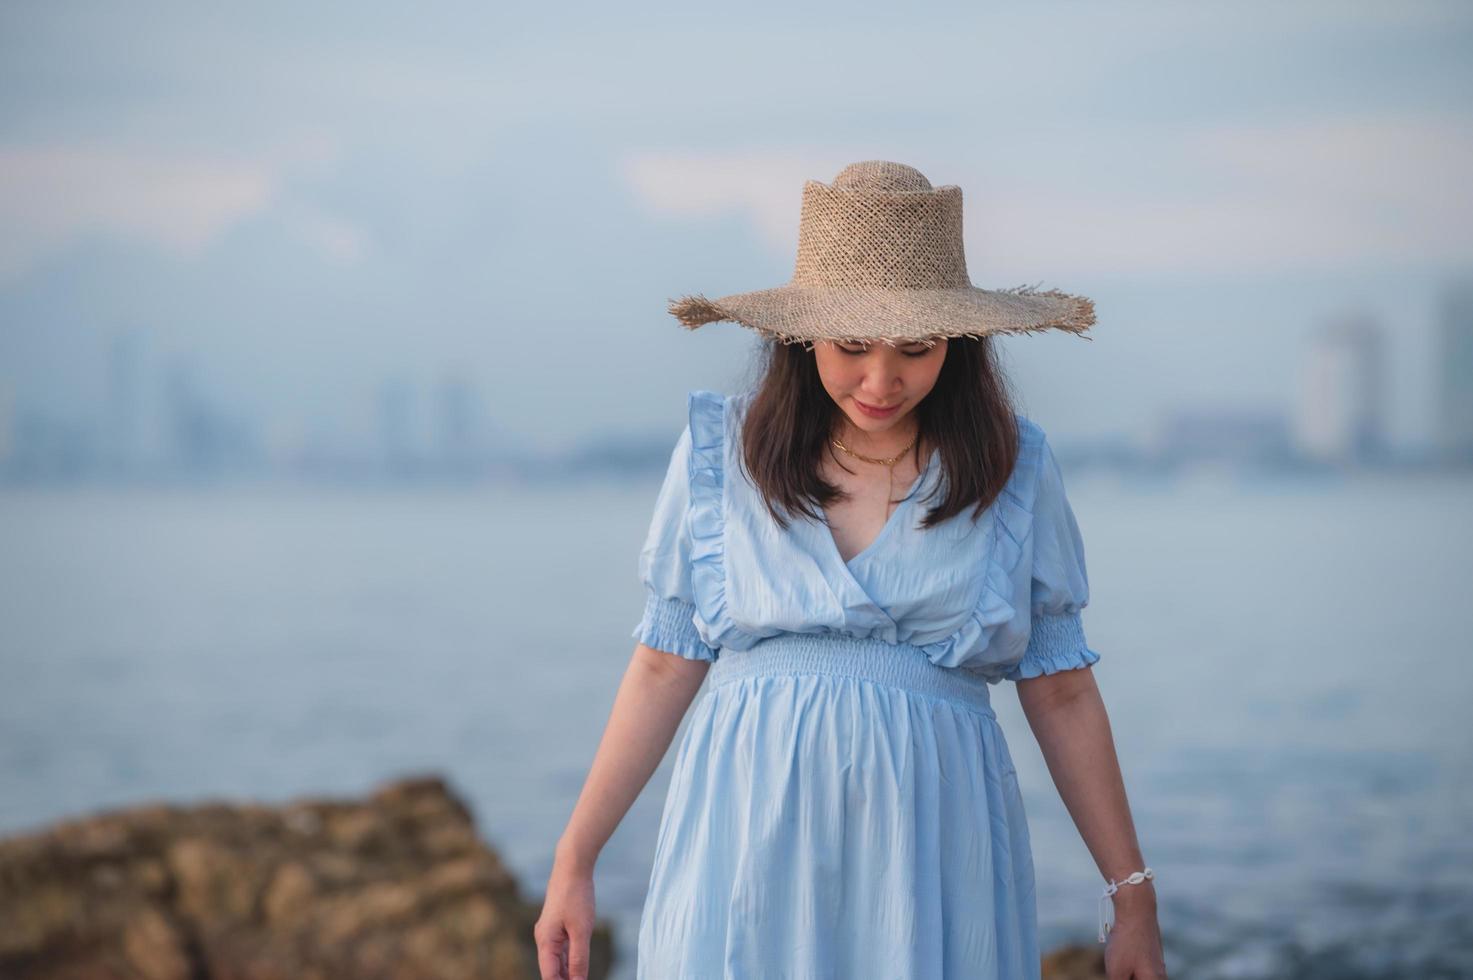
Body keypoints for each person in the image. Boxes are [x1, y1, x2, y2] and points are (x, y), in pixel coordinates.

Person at [535, 161, 1167, 980]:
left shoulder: (1013, 467)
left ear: (958, 341)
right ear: (801, 338)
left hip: (934, 850)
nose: (880, 380)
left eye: (914, 348)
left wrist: (1132, 898)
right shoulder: (718, 456)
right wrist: (574, 860)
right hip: (745, 837)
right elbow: (662, 664)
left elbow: (1062, 689)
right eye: (851, 347)